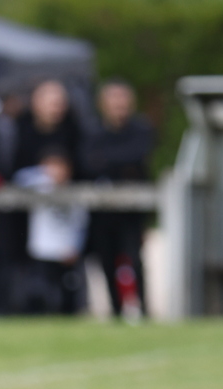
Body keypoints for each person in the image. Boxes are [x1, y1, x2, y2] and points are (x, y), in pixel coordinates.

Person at [82, 80, 154, 321]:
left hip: (132, 211)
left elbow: (137, 155)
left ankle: (143, 309)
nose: (119, 105)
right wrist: (119, 163)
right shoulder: (93, 131)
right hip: (102, 211)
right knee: (106, 260)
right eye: (114, 100)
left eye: (123, 100)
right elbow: (89, 162)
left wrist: (106, 160)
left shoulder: (141, 129)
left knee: (134, 259)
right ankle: (115, 310)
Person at [15, 149, 87, 315]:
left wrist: (75, 246)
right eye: (51, 166)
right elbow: (19, 178)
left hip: (65, 250)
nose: (56, 171)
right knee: (42, 291)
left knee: (67, 292)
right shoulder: (39, 187)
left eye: (60, 166)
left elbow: (80, 223)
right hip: (42, 249)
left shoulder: (75, 192)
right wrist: (43, 173)